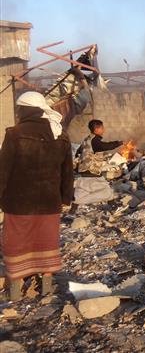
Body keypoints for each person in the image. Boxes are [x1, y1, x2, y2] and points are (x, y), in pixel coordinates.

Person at [0, 91, 74, 301]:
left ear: (24, 110)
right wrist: (65, 198)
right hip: (49, 201)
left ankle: (15, 288)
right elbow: (67, 171)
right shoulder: (60, 134)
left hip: (19, 201)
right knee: (46, 240)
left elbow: (3, 170)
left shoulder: (14, 134)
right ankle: (47, 285)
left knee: (16, 240)